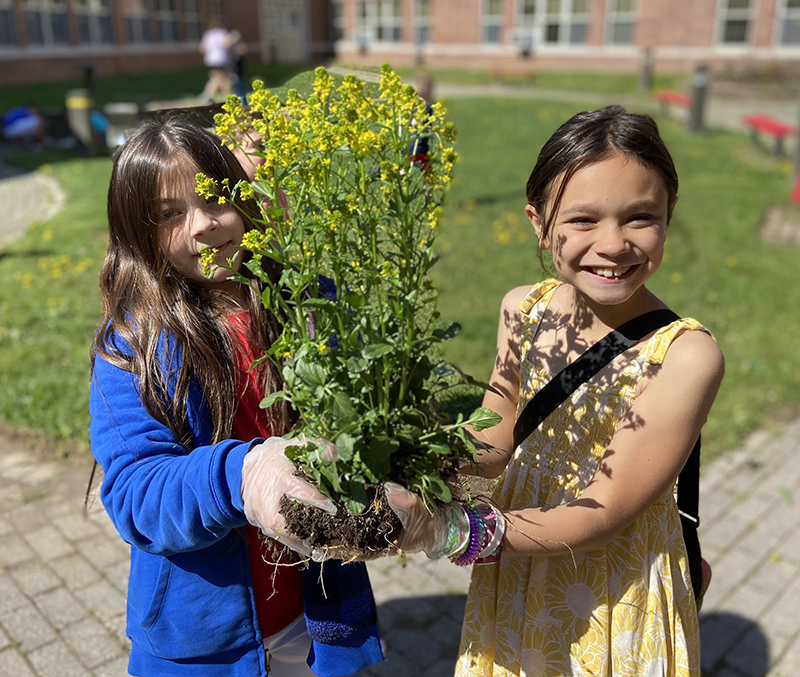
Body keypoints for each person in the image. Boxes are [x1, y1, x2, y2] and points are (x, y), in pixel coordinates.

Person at [386, 105, 724, 676]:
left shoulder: (686, 355)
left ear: (668, 216)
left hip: (613, 584)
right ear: (540, 224)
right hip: (520, 558)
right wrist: (409, 454)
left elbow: (605, 513)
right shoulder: (523, 309)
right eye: (584, 220)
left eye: (640, 217)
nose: (613, 244)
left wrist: (453, 531)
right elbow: (496, 438)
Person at [89, 116, 384, 677]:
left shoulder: (307, 302)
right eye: (168, 214)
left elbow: (369, 404)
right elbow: (134, 494)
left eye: (215, 196)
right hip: (203, 643)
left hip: (319, 614)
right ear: (135, 231)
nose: (203, 225)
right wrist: (242, 476)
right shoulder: (134, 344)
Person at [200, 20, 236, 102]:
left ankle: (207, 95)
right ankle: (230, 95)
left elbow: (202, 48)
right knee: (221, 78)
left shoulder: (208, 34)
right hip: (221, 58)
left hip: (210, 59)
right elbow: (226, 44)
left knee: (215, 78)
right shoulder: (222, 33)